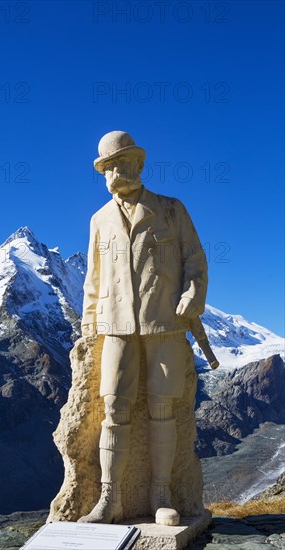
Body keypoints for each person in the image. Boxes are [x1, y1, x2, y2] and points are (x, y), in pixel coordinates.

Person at [78, 131, 208, 526]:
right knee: (114, 408)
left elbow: (195, 262)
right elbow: (93, 277)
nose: (115, 172)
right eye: (108, 167)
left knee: (163, 409)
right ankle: (110, 499)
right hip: (115, 325)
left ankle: (161, 494)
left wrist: (192, 295)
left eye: (122, 163)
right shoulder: (99, 220)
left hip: (164, 323)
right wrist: (89, 320)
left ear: (139, 164)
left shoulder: (171, 209)